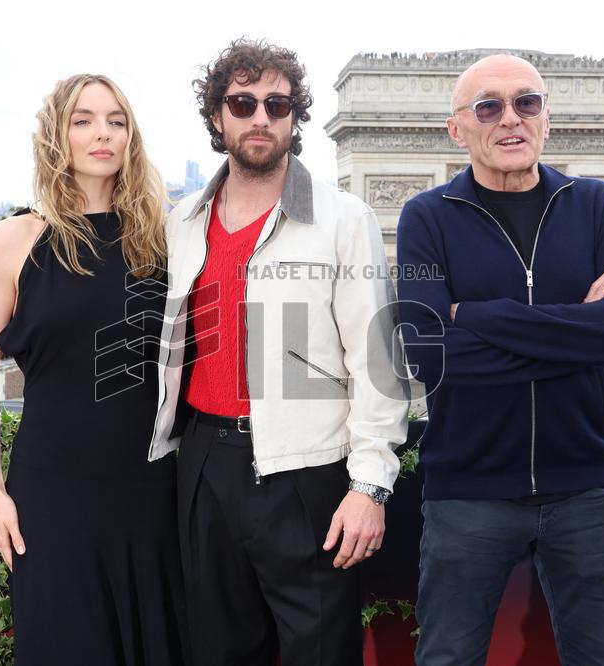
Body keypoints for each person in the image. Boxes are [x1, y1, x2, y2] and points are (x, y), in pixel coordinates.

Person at [148, 39, 409, 666]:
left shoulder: (345, 219)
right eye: (242, 102)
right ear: (218, 117)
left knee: (320, 652)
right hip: (204, 462)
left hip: (309, 474)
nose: (260, 116)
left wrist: (370, 487)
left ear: (296, 117)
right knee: (216, 652)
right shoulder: (179, 223)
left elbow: (377, 364)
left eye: (277, 103)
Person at [397, 54, 604, 665]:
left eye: (527, 102)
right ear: (457, 129)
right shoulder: (426, 217)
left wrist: (477, 316)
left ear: (548, 119)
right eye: (488, 106)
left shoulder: (597, 204)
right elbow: (426, 353)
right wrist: (584, 332)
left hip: (586, 487)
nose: (510, 119)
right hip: (467, 489)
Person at [0, 74, 188, 664]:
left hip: (151, 494)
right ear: (56, 134)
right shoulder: (13, 241)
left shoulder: (162, 239)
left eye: (116, 120)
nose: (102, 133)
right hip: (50, 496)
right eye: (84, 119)